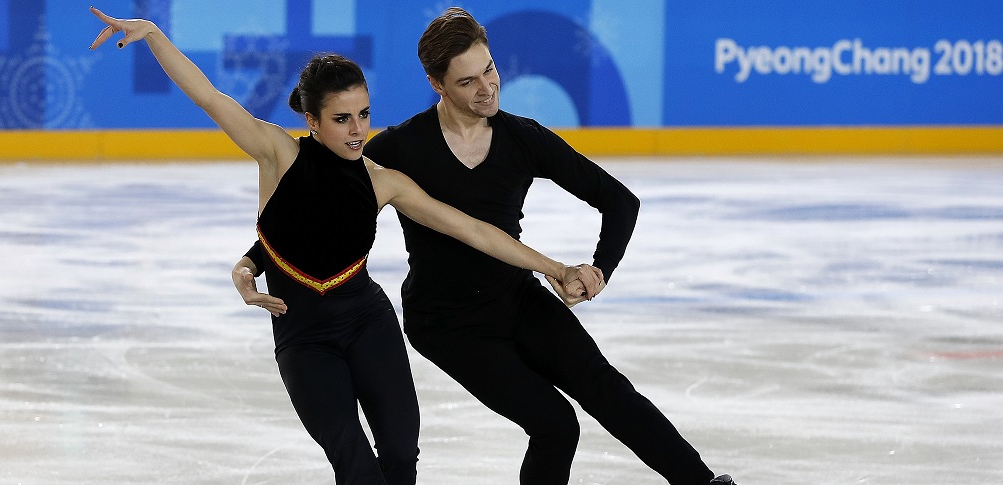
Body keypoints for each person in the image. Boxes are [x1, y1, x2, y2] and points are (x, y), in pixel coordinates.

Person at [87, 7, 600, 485]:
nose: (358, 131)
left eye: (364, 114)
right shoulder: (278, 156)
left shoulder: (382, 182)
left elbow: (474, 230)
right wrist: (153, 34)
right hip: (303, 335)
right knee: (355, 465)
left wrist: (553, 267)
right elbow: (209, 97)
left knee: (400, 459)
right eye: (341, 119)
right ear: (312, 120)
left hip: (367, 323)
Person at [237, 7, 737, 485]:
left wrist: (598, 269)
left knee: (604, 386)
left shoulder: (523, 139)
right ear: (437, 85)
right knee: (555, 424)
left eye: (490, 70)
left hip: (515, 297)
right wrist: (256, 259)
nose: (488, 86)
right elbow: (309, 215)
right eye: (468, 81)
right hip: (446, 322)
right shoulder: (397, 150)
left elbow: (619, 202)